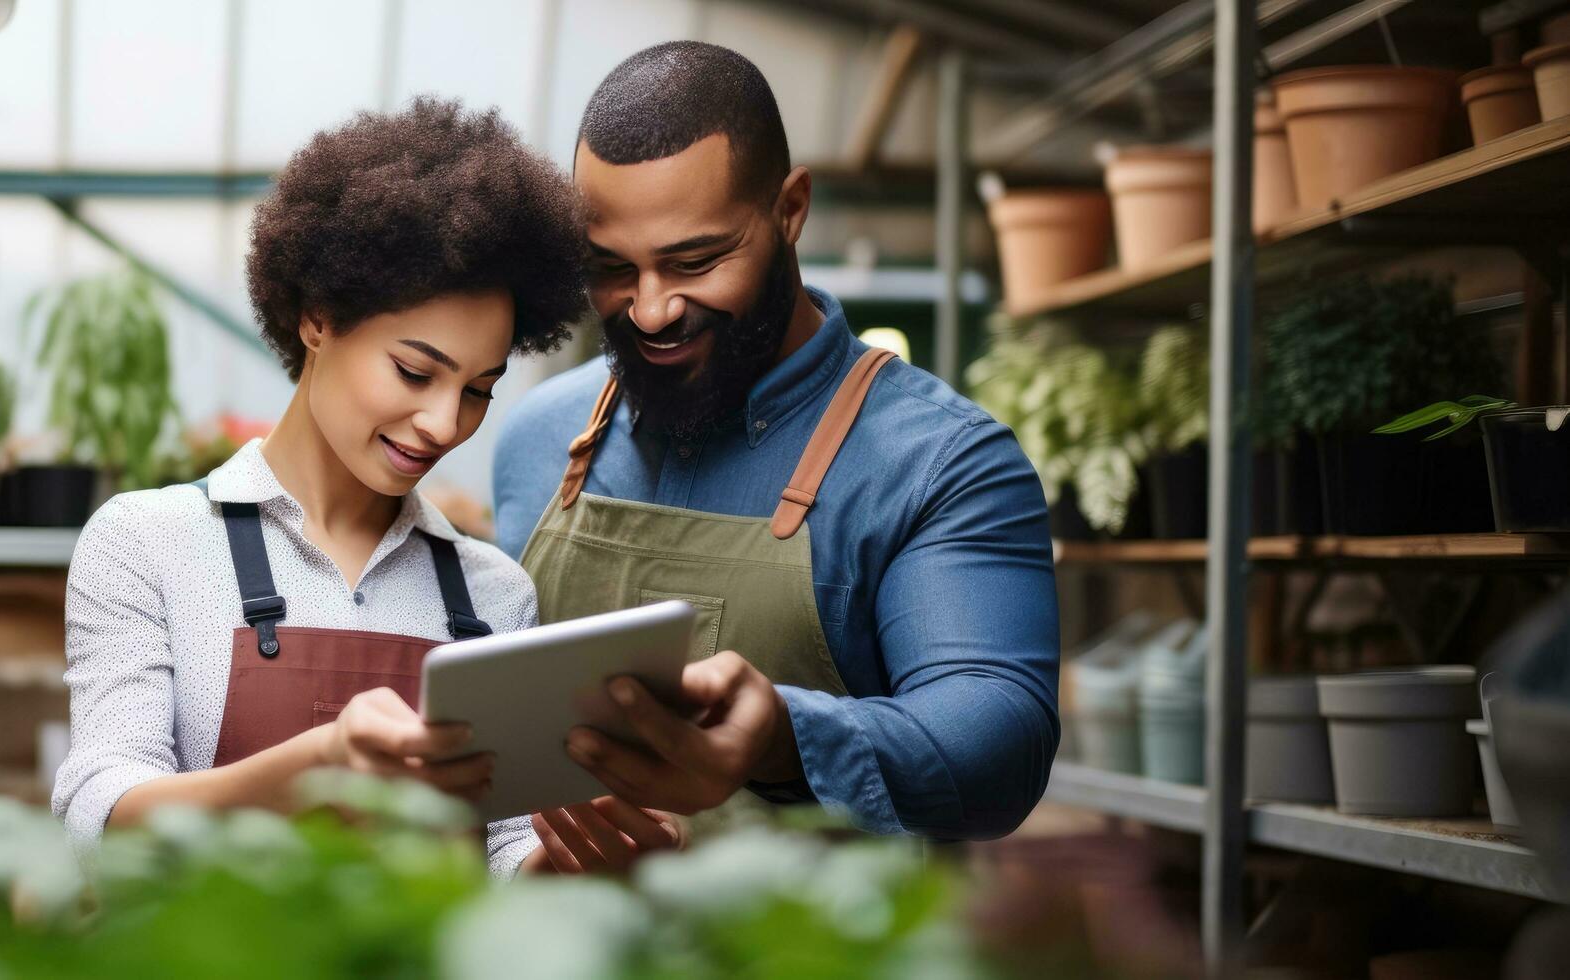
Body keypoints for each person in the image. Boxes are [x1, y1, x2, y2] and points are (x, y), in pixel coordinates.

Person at [51, 98, 676, 877]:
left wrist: (570, 862)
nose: (443, 424)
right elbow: (98, 813)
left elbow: (503, 851)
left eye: (478, 389)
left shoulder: (493, 595)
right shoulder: (149, 543)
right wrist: (312, 770)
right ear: (318, 317)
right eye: (415, 372)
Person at [493, 42, 1061, 841]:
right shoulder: (538, 438)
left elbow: (999, 734)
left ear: (789, 210)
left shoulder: (942, 463)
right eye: (611, 267)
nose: (651, 311)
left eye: (696, 260)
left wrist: (786, 737)